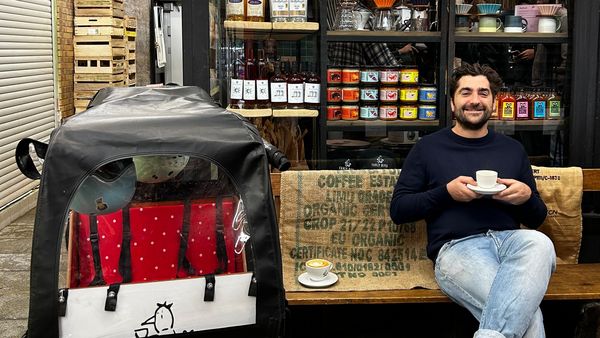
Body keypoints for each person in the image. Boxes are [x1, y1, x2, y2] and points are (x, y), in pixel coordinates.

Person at [389, 63, 556, 338]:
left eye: (483, 93)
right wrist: (446, 193)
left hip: (512, 244)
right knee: (530, 315)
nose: (475, 100)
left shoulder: (513, 150)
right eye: (466, 92)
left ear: (493, 102)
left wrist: (525, 197)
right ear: (453, 104)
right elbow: (399, 210)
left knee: (540, 242)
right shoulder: (428, 148)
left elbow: (537, 218)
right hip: (457, 249)